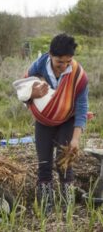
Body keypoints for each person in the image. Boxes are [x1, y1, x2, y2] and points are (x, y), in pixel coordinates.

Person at [24, 33, 88, 214]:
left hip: (67, 120)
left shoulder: (77, 74)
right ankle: (46, 207)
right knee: (44, 163)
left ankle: (67, 207)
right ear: (50, 55)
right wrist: (32, 95)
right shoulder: (38, 67)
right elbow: (22, 91)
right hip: (44, 121)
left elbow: (82, 107)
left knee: (64, 161)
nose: (64, 66)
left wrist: (76, 139)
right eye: (60, 62)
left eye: (68, 62)